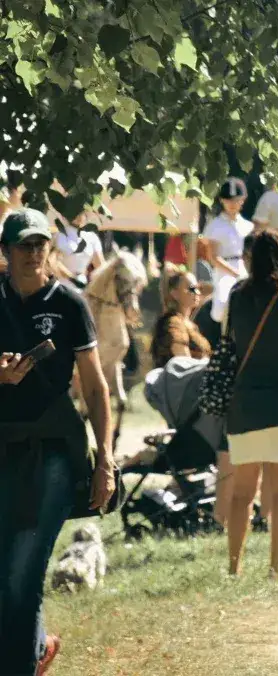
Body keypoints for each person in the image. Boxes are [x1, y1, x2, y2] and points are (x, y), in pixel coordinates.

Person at [0, 207, 115, 674]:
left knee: (22, 574)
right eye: (23, 245)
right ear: (5, 252)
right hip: (3, 449)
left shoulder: (69, 303)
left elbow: (95, 386)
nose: (32, 254)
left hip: (52, 453)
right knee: (8, 574)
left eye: (39, 244)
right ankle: (34, 650)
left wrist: (105, 460)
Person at [223, 228, 278, 580]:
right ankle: (277, 567)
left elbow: (231, 344)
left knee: (241, 493)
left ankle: (234, 566)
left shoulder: (236, 298)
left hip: (245, 405)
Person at [203, 177, 255, 324]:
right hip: (224, 271)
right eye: (228, 200)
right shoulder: (215, 225)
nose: (232, 204)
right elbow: (213, 257)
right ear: (222, 200)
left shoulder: (248, 227)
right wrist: (235, 273)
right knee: (222, 302)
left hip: (246, 267)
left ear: (243, 200)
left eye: (236, 200)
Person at [149, 264, 211, 369]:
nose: (197, 293)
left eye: (198, 288)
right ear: (175, 294)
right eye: (191, 289)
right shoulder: (173, 322)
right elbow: (185, 364)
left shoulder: (190, 324)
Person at [50, 212, 104, 290]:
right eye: (76, 212)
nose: (79, 215)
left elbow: (100, 265)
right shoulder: (59, 235)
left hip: (82, 285)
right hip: (61, 285)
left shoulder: (92, 237)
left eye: (81, 212)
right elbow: (53, 261)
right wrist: (72, 278)